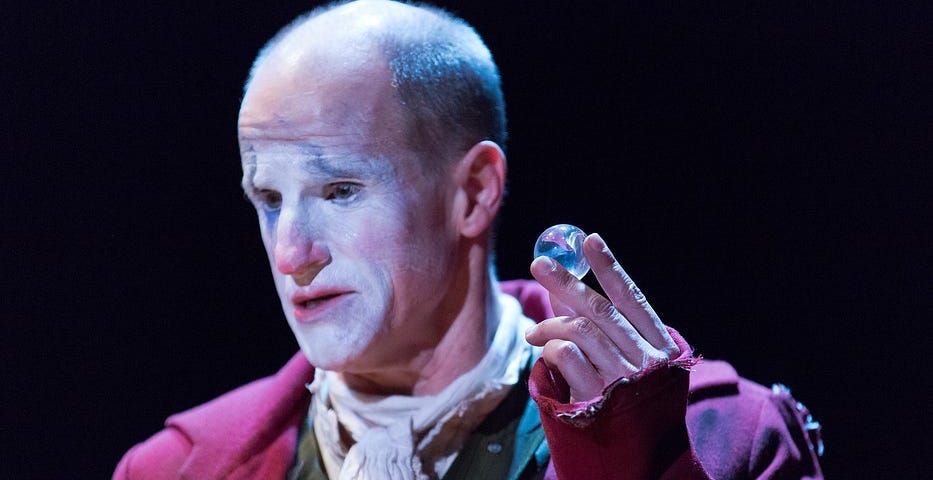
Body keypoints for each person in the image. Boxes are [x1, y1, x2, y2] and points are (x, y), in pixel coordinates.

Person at [114, 1, 823, 478]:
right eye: (268, 199)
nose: (292, 251)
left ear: (473, 192)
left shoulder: (723, 438)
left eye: (339, 191)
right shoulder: (177, 467)